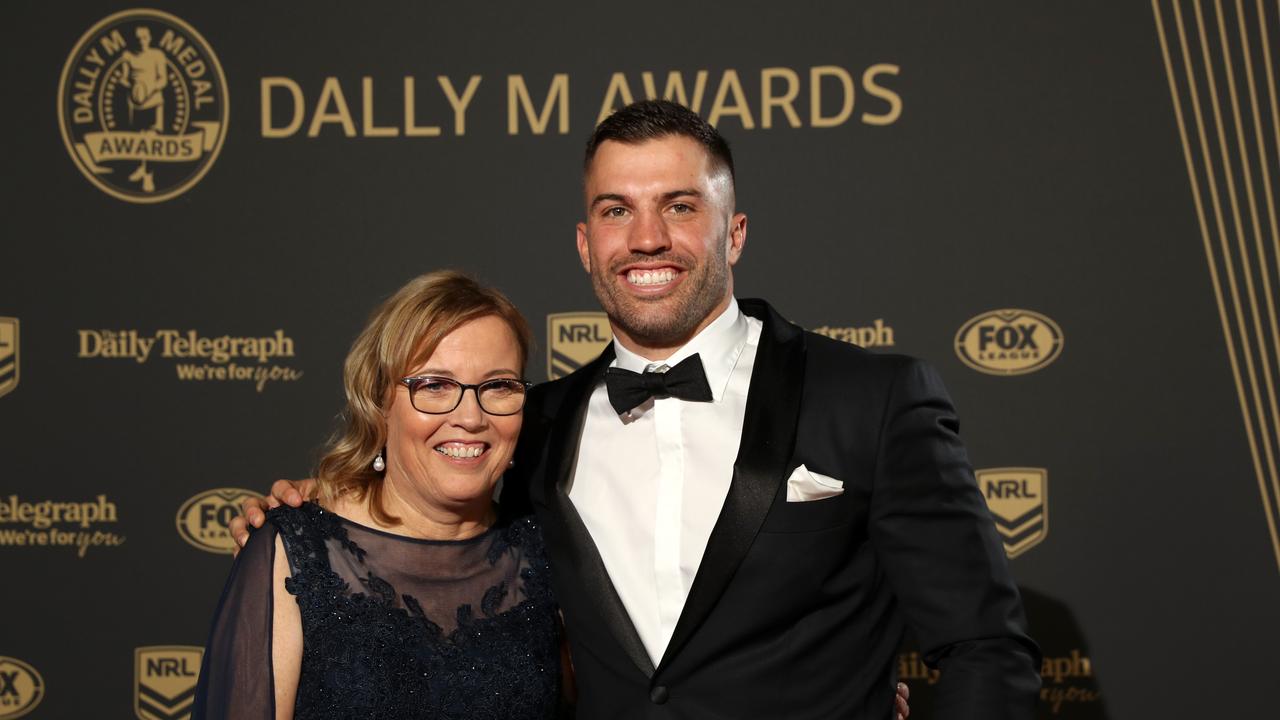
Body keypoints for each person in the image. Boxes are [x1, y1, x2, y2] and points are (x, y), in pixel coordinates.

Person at [239, 100, 1024, 718]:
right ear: (586, 245)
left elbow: (985, 649)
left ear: (735, 233)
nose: (646, 238)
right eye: (616, 211)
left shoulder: (873, 399)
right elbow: (421, 534)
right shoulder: (527, 427)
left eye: (679, 206)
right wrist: (315, 515)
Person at [194, 271, 564, 719]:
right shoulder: (296, 552)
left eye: (498, 386)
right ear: (378, 402)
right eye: (434, 385)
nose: (470, 416)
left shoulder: (548, 559)